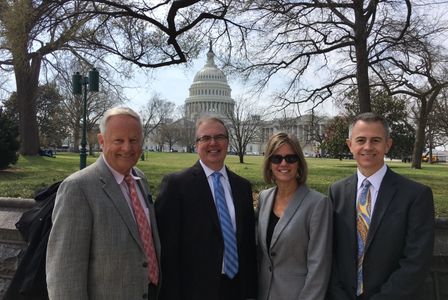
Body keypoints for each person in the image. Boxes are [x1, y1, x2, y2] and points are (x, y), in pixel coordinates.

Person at [46, 107, 161, 300]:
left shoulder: (140, 179)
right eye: (119, 140)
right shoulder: (78, 188)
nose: (127, 148)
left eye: (133, 140)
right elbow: (64, 272)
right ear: (102, 141)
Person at [327, 112, 435, 300]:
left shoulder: (416, 196)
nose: (368, 147)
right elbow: (330, 253)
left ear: (388, 145)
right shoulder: (336, 192)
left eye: (375, 140)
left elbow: (416, 261)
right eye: (361, 140)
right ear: (350, 145)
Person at [155, 117, 257, 300]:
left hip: (236, 289)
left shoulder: (242, 187)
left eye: (219, 137)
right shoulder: (176, 185)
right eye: (205, 138)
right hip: (193, 290)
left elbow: (248, 244)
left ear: (227, 142)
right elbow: (167, 251)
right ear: (196, 145)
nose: (213, 143)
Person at [257, 132, 332, 300]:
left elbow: (319, 266)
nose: (284, 163)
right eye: (277, 158)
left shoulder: (317, 204)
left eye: (291, 158)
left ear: (299, 162)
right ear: (269, 163)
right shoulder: (264, 197)